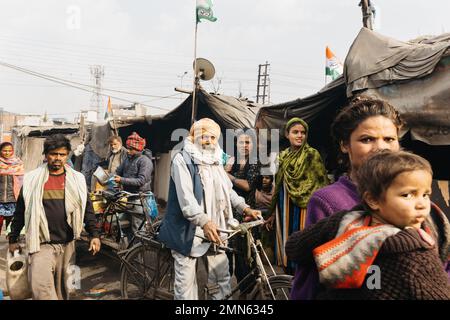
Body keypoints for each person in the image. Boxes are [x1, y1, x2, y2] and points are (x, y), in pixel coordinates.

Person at [286, 150, 450, 299]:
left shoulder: (342, 223)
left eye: (425, 194)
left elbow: (294, 247)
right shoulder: (417, 257)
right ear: (372, 200)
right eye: (407, 195)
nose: (422, 204)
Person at [289, 97, 403, 299]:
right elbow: (309, 281)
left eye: (389, 139)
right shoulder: (327, 201)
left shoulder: (416, 198)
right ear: (344, 145)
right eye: (367, 139)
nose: (380, 147)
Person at [157, 118, 262, 300]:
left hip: (216, 230)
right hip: (189, 231)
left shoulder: (215, 160)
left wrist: (245, 208)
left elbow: (228, 191)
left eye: (213, 138)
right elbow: (187, 200)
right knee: (186, 288)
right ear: (195, 136)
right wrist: (204, 221)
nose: (209, 141)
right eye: (205, 136)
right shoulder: (182, 159)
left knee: (221, 281)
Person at [8, 134, 101, 300]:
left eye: (62, 154)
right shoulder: (32, 179)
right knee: (41, 287)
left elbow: (87, 209)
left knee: (64, 291)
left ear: (67, 156)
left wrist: (94, 235)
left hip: (68, 243)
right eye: (53, 154)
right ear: (46, 155)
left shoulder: (77, 180)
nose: (57, 158)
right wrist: (13, 238)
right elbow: (20, 210)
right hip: (41, 243)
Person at [266, 117, 328, 273]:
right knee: (286, 242)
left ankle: (303, 278)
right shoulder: (282, 156)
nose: (299, 135)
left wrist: (321, 211)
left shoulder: (312, 155)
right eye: (295, 132)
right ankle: (289, 278)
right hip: (284, 205)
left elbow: (322, 183)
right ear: (287, 134)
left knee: (303, 242)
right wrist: (273, 212)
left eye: (303, 132)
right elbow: (278, 183)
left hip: (306, 207)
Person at [224, 129, 261, 298]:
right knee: (226, 255)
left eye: (248, 142)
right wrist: (226, 169)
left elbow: (247, 186)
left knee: (244, 259)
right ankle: (226, 291)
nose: (244, 146)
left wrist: (229, 176)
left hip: (246, 215)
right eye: (241, 142)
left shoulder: (255, 162)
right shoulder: (232, 161)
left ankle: (245, 295)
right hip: (229, 215)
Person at [114, 132, 153, 234]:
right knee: (126, 225)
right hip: (129, 197)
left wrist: (121, 180)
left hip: (140, 199)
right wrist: (112, 176)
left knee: (138, 229)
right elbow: (119, 170)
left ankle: (140, 249)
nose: (128, 151)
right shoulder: (128, 159)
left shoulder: (145, 161)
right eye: (128, 148)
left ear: (138, 149)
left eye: (131, 149)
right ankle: (129, 248)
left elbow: (141, 181)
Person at [0, 142, 24, 235]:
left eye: (9, 151)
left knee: (12, 228)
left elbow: (22, 182)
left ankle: (11, 245)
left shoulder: (18, 164)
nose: (7, 153)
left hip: (13, 200)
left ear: (12, 151)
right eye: (4, 151)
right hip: (0, 200)